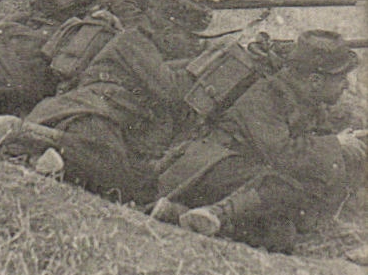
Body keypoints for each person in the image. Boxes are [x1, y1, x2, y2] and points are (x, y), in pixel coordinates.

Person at [0, 0, 213, 205]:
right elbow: (171, 89)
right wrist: (208, 60)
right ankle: (20, 132)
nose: (196, 45)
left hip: (96, 118)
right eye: (192, 38)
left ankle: (49, 158)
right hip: (87, 115)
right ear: (170, 32)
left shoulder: (148, 47)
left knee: (132, 182)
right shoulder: (134, 42)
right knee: (113, 172)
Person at [149, 30, 365, 252]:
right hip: (205, 169)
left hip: (243, 179)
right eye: (341, 78)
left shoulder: (309, 102)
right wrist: (335, 144)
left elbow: (316, 148)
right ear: (315, 80)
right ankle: (217, 213)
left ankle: (179, 214)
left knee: (280, 235)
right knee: (288, 185)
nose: (346, 86)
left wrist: (347, 142)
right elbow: (282, 155)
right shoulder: (267, 94)